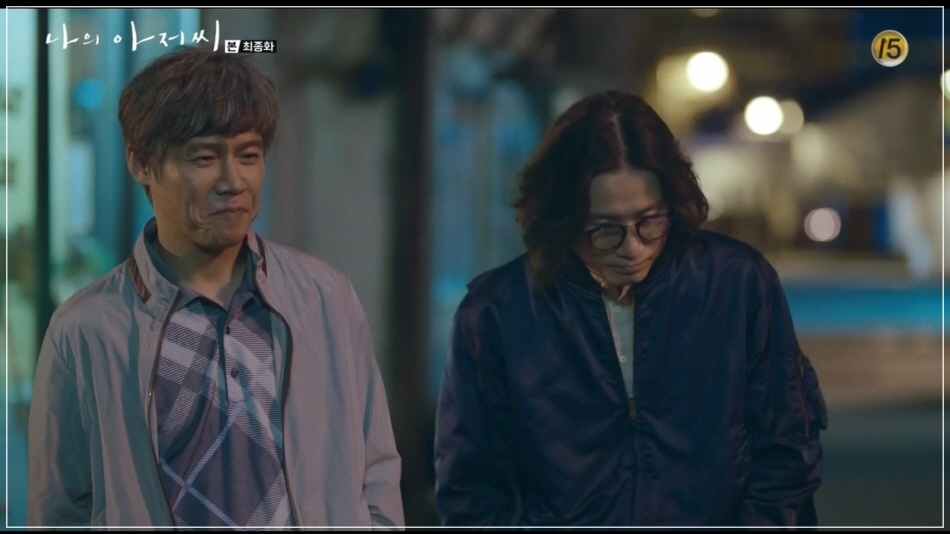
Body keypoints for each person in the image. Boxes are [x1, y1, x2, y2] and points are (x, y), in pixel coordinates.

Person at [28, 46, 405, 528]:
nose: (233, 181)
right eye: (204, 157)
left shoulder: (324, 298)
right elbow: (61, 510)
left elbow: (376, 470)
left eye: (248, 156)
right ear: (141, 163)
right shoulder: (87, 330)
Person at [433, 90, 828, 527]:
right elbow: (470, 489)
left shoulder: (737, 285)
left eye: (648, 220)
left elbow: (786, 452)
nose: (633, 247)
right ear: (564, 218)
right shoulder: (496, 314)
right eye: (604, 229)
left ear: (672, 202)